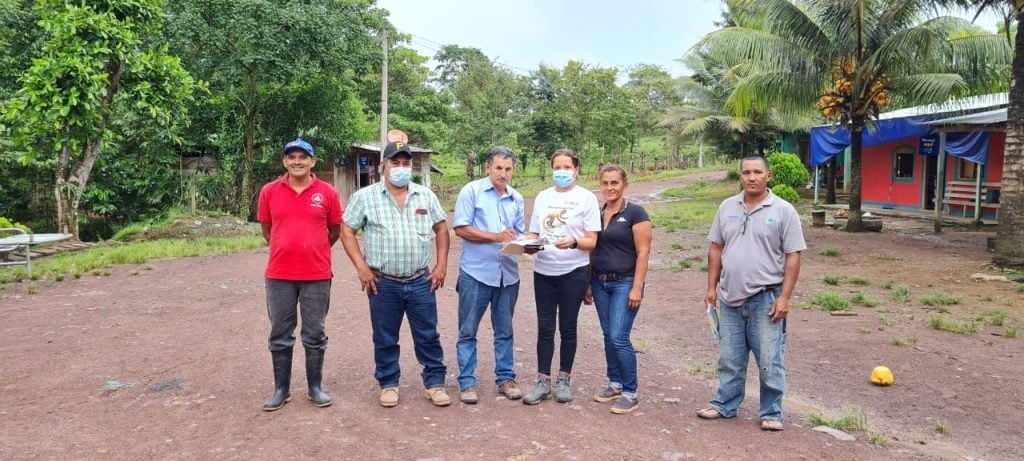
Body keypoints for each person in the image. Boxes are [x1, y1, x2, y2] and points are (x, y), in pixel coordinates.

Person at [339, 141, 452, 408]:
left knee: (428, 334)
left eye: (405, 163)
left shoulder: (425, 196)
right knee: (385, 335)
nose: (401, 168)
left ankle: (434, 383)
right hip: (383, 282)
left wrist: (441, 265)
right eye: (395, 163)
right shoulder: (364, 197)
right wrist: (361, 268)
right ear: (383, 166)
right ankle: (388, 383)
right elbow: (347, 231)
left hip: (420, 279)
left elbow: (442, 229)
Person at [697, 155, 806, 431]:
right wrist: (711, 287)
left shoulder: (783, 210)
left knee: (770, 359)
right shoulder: (726, 207)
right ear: (740, 176)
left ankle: (771, 411)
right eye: (746, 172)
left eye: (758, 172)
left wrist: (785, 297)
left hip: (766, 298)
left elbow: (793, 256)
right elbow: (716, 248)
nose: (752, 177)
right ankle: (725, 404)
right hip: (730, 296)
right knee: (730, 357)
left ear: (768, 176)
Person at [257, 137, 343, 411]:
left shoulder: (328, 192)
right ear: (284, 161)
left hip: (317, 274)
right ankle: (281, 389)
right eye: (291, 157)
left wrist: (313, 250)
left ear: (312, 161)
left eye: (302, 157)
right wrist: (288, 249)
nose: (297, 162)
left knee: (314, 332)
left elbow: (334, 231)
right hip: (279, 274)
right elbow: (267, 230)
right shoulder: (270, 191)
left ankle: (314, 387)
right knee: (280, 332)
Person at [522, 149, 600, 405]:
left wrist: (576, 242)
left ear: (576, 170)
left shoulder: (586, 198)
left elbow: (592, 240)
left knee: (568, 327)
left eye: (567, 167)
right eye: (558, 167)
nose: (562, 172)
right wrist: (526, 244)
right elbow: (534, 233)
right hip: (544, 272)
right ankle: (542, 380)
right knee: (545, 328)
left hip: (573, 272)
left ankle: (564, 378)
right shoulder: (543, 197)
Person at [452, 146, 526, 404]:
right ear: (487, 167)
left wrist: (526, 243)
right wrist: (495, 237)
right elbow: (461, 228)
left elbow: (517, 232)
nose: (502, 174)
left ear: (512, 170)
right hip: (476, 273)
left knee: (504, 330)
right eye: (498, 168)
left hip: (508, 275)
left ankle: (505, 378)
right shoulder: (471, 192)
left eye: (507, 169)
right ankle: (467, 382)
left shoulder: (516, 198)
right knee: (468, 330)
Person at [584, 165, 651, 414]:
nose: (610, 188)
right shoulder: (597, 212)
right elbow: (593, 250)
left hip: (625, 282)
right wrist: (588, 283)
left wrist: (637, 287)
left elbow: (643, 252)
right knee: (607, 334)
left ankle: (630, 392)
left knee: (619, 337)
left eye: (615, 183)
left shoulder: (635, 213)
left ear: (625, 185)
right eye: (605, 183)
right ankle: (614, 383)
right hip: (600, 282)